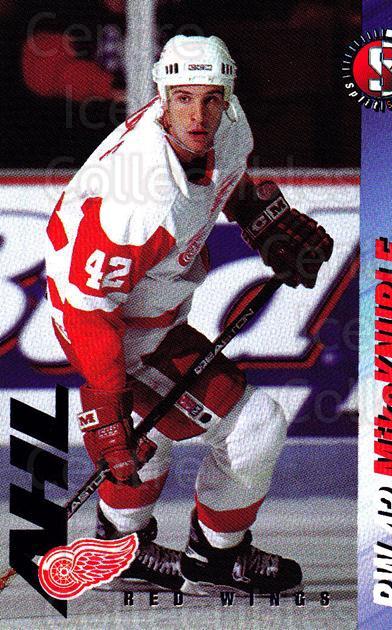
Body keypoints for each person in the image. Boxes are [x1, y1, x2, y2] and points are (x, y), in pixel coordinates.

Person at [45, 34, 333, 595]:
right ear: (161, 97)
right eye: (183, 99)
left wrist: (263, 220)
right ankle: (218, 560)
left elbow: (226, 179)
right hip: (108, 320)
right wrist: (107, 406)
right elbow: (88, 309)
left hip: (144, 306)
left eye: (210, 99)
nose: (198, 116)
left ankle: (120, 547)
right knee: (254, 426)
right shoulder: (138, 198)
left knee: (148, 434)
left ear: (228, 97)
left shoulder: (227, 126)